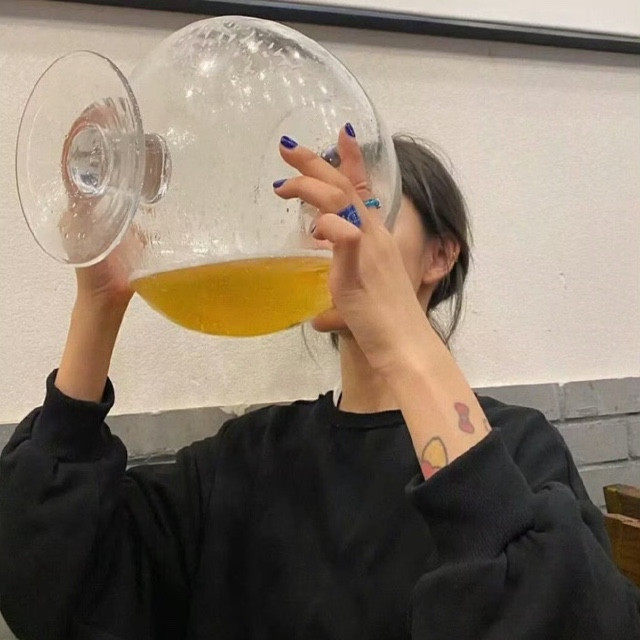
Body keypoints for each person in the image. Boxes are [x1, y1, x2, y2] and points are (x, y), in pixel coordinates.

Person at [1, 126, 638, 640]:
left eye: (368, 208)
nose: (330, 230)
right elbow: (50, 582)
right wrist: (100, 300)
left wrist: (400, 336)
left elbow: (561, 617)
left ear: (440, 257)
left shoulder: (519, 452)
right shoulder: (246, 459)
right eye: (320, 211)